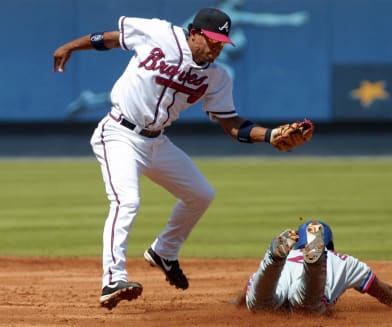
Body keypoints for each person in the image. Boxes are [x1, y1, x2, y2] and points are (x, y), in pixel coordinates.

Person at [53, 8, 311, 310]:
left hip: (156, 141)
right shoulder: (161, 34)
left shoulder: (217, 76)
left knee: (201, 194)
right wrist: (70, 46)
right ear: (194, 33)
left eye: (221, 43)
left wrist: (269, 135)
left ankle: (164, 251)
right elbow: (113, 39)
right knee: (127, 201)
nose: (216, 47)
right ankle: (113, 278)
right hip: (118, 133)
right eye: (212, 40)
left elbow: (231, 123)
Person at [241, 220, 392, 313]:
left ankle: (273, 259)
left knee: (260, 301)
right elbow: (385, 292)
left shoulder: (292, 254)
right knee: (306, 303)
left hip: (274, 288)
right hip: (311, 301)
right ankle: (316, 263)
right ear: (330, 245)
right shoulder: (346, 261)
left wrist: (235, 303)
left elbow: (251, 285)